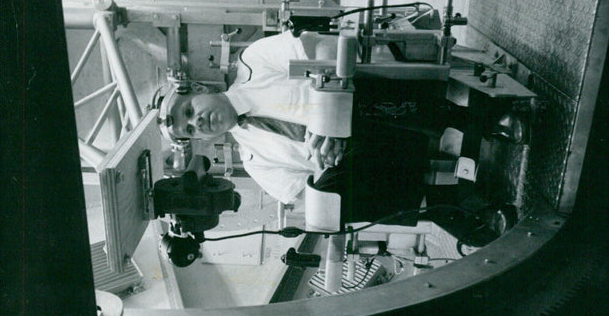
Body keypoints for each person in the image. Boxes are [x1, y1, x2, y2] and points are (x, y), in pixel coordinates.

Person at [153, 31, 430, 224]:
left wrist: (328, 118)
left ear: (200, 88)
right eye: (190, 129)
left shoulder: (254, 63)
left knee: (359, 107)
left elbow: (326, 47)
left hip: (375, 108)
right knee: (325, 199)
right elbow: (308, 199)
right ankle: (432, 196)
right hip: (363, 162)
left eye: (189, 110)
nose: (197, 121)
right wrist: (325, 161)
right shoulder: (254, 163)